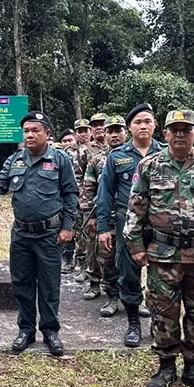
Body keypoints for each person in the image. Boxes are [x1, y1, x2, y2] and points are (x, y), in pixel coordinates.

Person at [124, 109, 194, 387]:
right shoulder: (149, 167)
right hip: (163, 254)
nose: (180, 135)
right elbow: (136, 209)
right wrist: (136, 246)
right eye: (175, 130)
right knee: (163, 313)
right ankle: (166, 366)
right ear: (166, 134)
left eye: (186, 130)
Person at [0, 111, 78, 356]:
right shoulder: (15, 160)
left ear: (48, 134)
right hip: (21, 234)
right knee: (21, 284)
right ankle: (25, 330)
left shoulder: (60, 159)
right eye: (26, 131)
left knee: (49, 285)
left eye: (35, 130)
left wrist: (68, 226)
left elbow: (71, 194)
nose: (30, 135)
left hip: (49, 234)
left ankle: (51, 331)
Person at [96, 103, 161, 348]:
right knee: (129, 274)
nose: (143, 126)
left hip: (160, 223)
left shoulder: (165, 154)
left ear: (155, 125)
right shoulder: (116, 156)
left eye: (147, 121)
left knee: (160, 276)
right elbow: (105, 194)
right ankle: (133, 324)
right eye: (137, 122)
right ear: (130, 128)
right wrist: (104, 228)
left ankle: (157, 323)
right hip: (127, 222)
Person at [83, 115, 127, 312]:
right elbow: (88, 189)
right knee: (107, 258)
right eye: (110, 132)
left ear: (126, 132)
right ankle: (112, 297)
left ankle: (135, 296)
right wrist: (90, 216)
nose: (114, 135)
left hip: (129, 216)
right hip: (104, 216)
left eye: (119, 131)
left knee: (133, 260)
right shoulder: (96, 160)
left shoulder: (136, 156)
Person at [71, 118, 92, 282]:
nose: (83, 134)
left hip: (95, 199)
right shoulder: (73, 151)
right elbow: (77, 178)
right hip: (80, 199)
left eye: (85, 131)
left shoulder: (96, 150)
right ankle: (81, 264)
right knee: (80, 233)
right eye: (79, 131)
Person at [59, 128, 80, 274]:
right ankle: (68, 259)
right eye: (64, 141)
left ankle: (81, 262)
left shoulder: (83, 154)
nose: (68, 143)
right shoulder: (58, 156)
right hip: (64, 199)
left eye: (70, 140)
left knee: (81, 232)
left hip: (83, 199)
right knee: (68, 227)